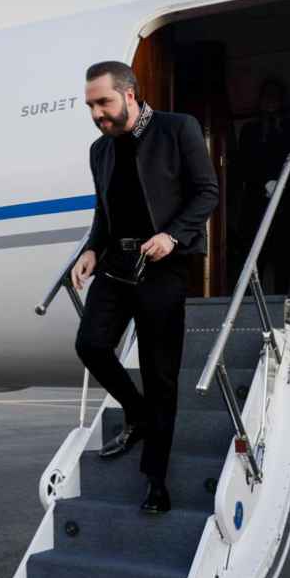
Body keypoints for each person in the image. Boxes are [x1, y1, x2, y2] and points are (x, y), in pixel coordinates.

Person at [71, 60, 219, 514]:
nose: (97, 113)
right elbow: (104, 209)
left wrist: (172, 235)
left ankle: (155, 479)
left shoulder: (179, 129)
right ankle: (137, 414)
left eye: (104, 102)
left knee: (161, 375)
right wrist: (92, 248)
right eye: (91, 105)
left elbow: (206, 192)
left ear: (130, 94)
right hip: (117, 262)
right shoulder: (101, 150)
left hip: (163, 265)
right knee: (91, 345)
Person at [233, 77, 290, 294]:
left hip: (286, 205)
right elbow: (243, 164)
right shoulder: (250, 130)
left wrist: (283, 185)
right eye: (267, 97)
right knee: (255, 260)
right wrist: (263, 182)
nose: (271, 103)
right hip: (256, 206)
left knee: (284, 261)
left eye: (275, 97)